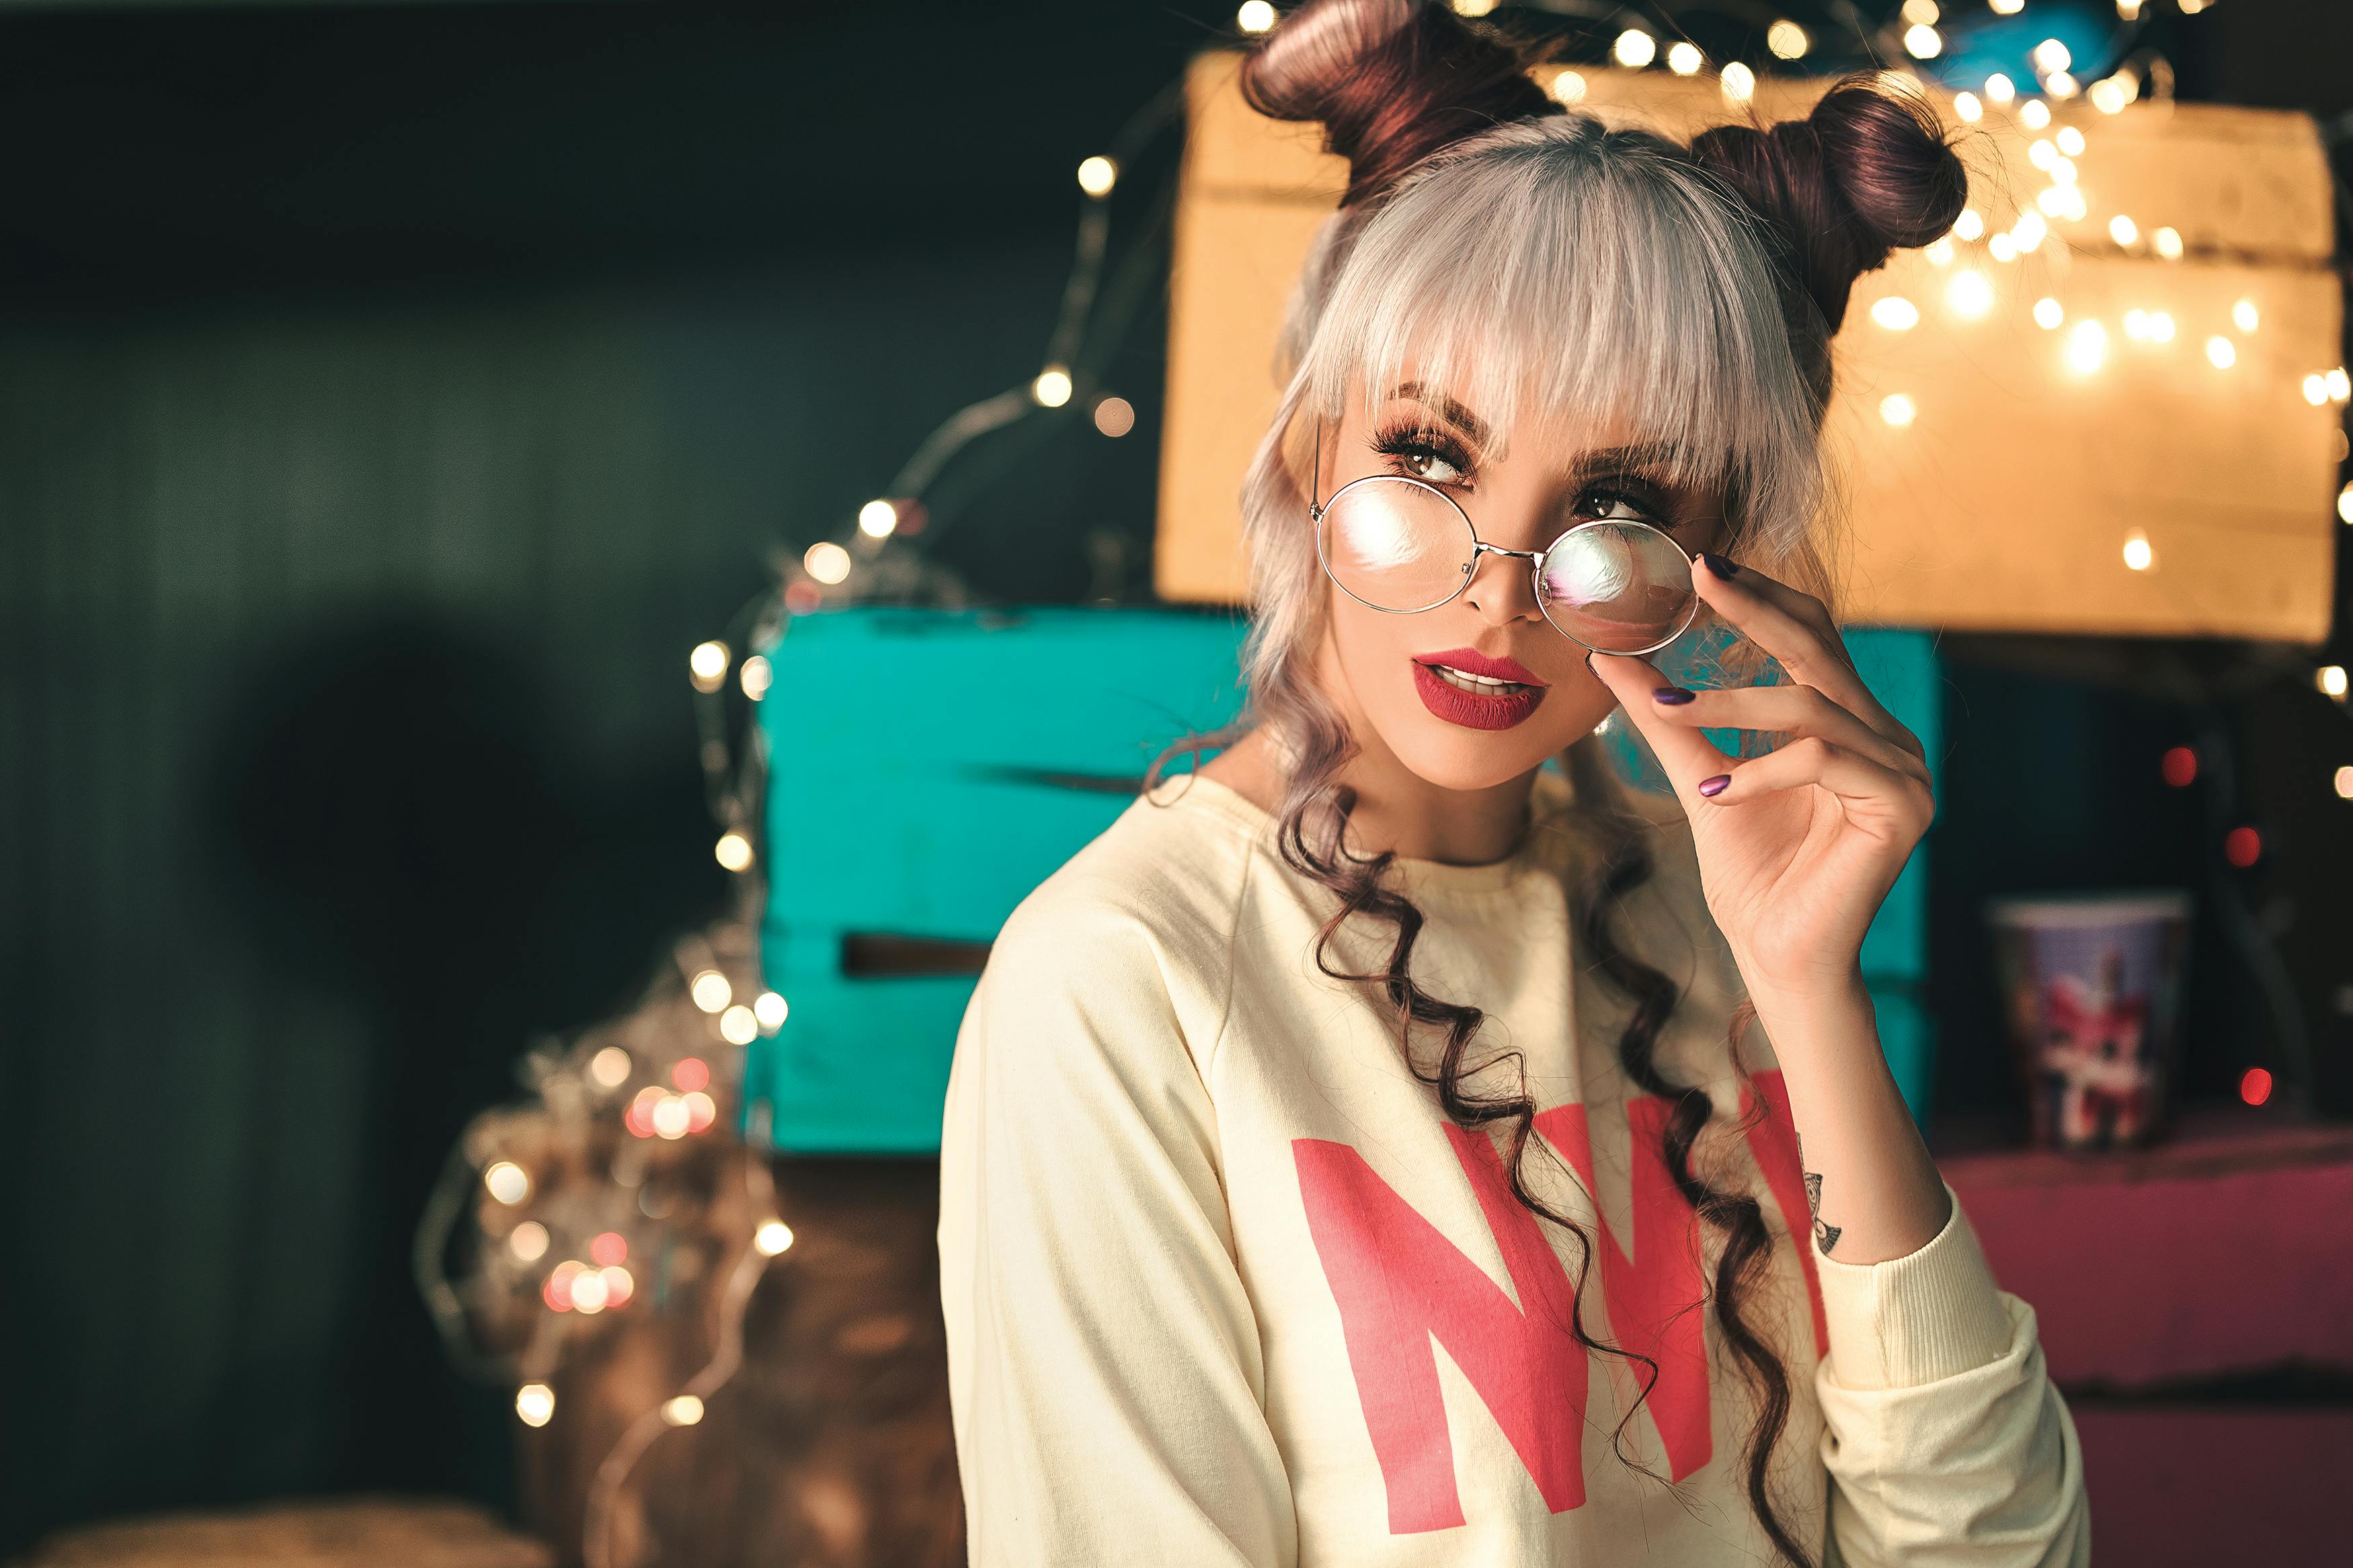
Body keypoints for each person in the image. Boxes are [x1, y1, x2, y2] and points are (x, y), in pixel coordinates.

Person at [938, 1, 2089, 1562]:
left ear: (1709, 560)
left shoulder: (1721, 902)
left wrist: (1806, 991)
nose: (1496, 594)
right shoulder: (1119, 982)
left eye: (1611, 502)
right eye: (1427, 456)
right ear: (1305, 458)